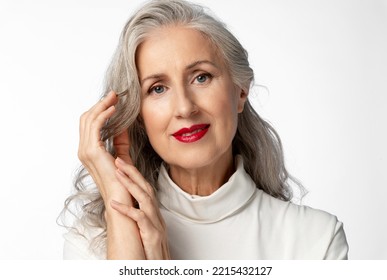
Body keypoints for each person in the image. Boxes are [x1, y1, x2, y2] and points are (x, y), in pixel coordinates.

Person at [62, 0, 348, 260]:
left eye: (201, 77)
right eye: (158, 88)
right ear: (138, 116)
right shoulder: (90, 243)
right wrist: (120, 210)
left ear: (240, 91)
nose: (185, 108)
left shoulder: (317, 240)